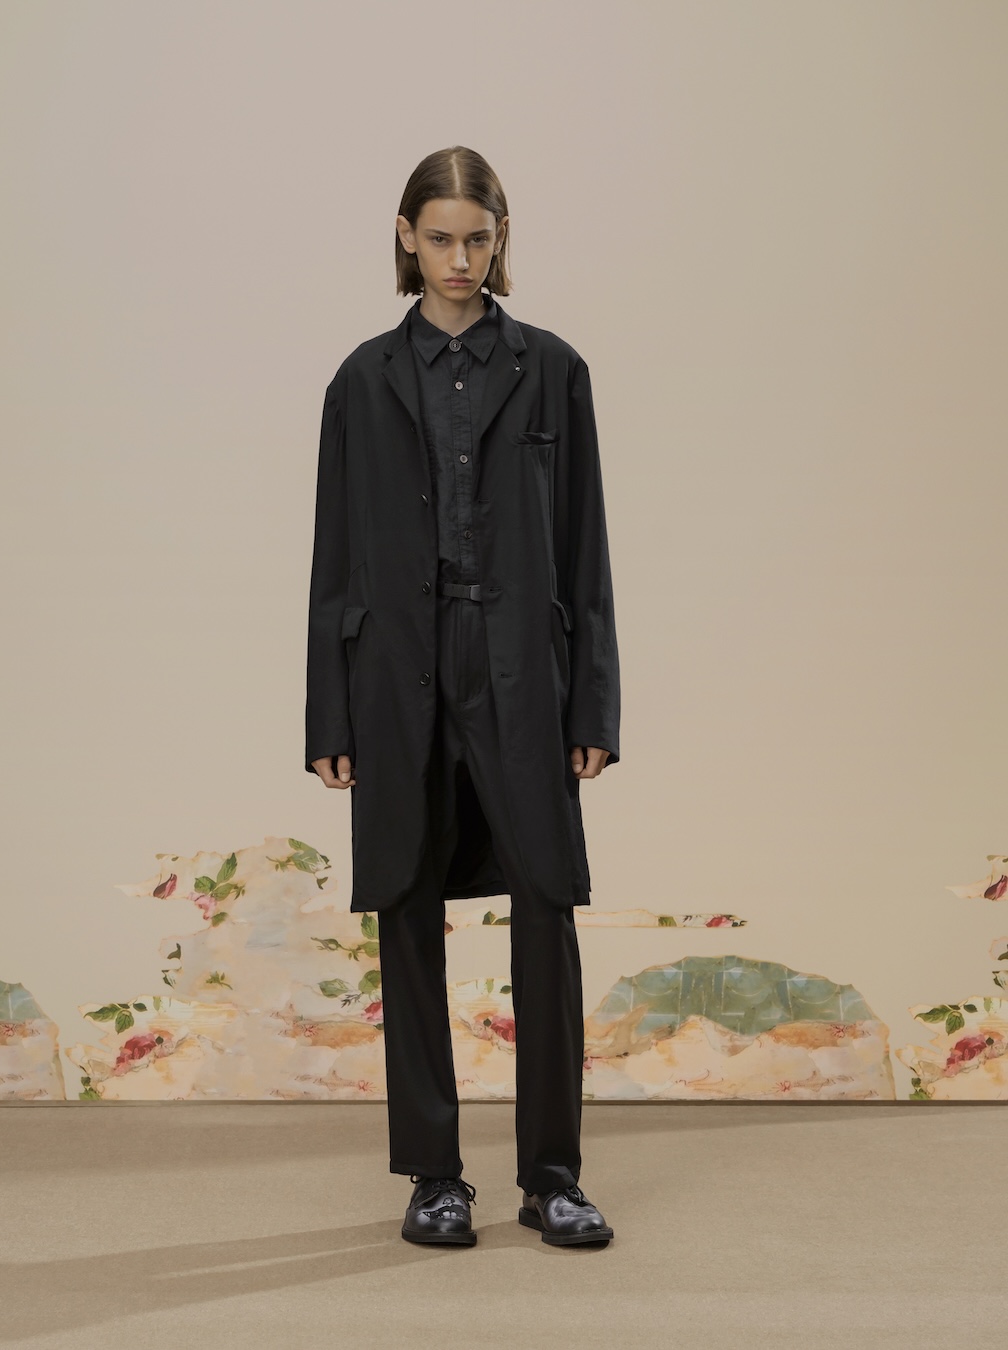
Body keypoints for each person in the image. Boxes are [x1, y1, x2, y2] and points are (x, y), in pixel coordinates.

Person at [305, 146, 620, 1248]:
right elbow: (334, 558)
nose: (458, 259)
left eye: (477, 239)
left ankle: (553, 1176)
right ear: (407, 238)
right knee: (406, 908)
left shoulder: (553, 370)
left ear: (501, 239)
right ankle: (434, 1176)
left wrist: (592, 706)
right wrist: (330, 713)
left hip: (521, 665)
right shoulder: (360, 381)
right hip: (398, 669)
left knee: (547, 903)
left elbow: (585, 552)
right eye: (438, 238)